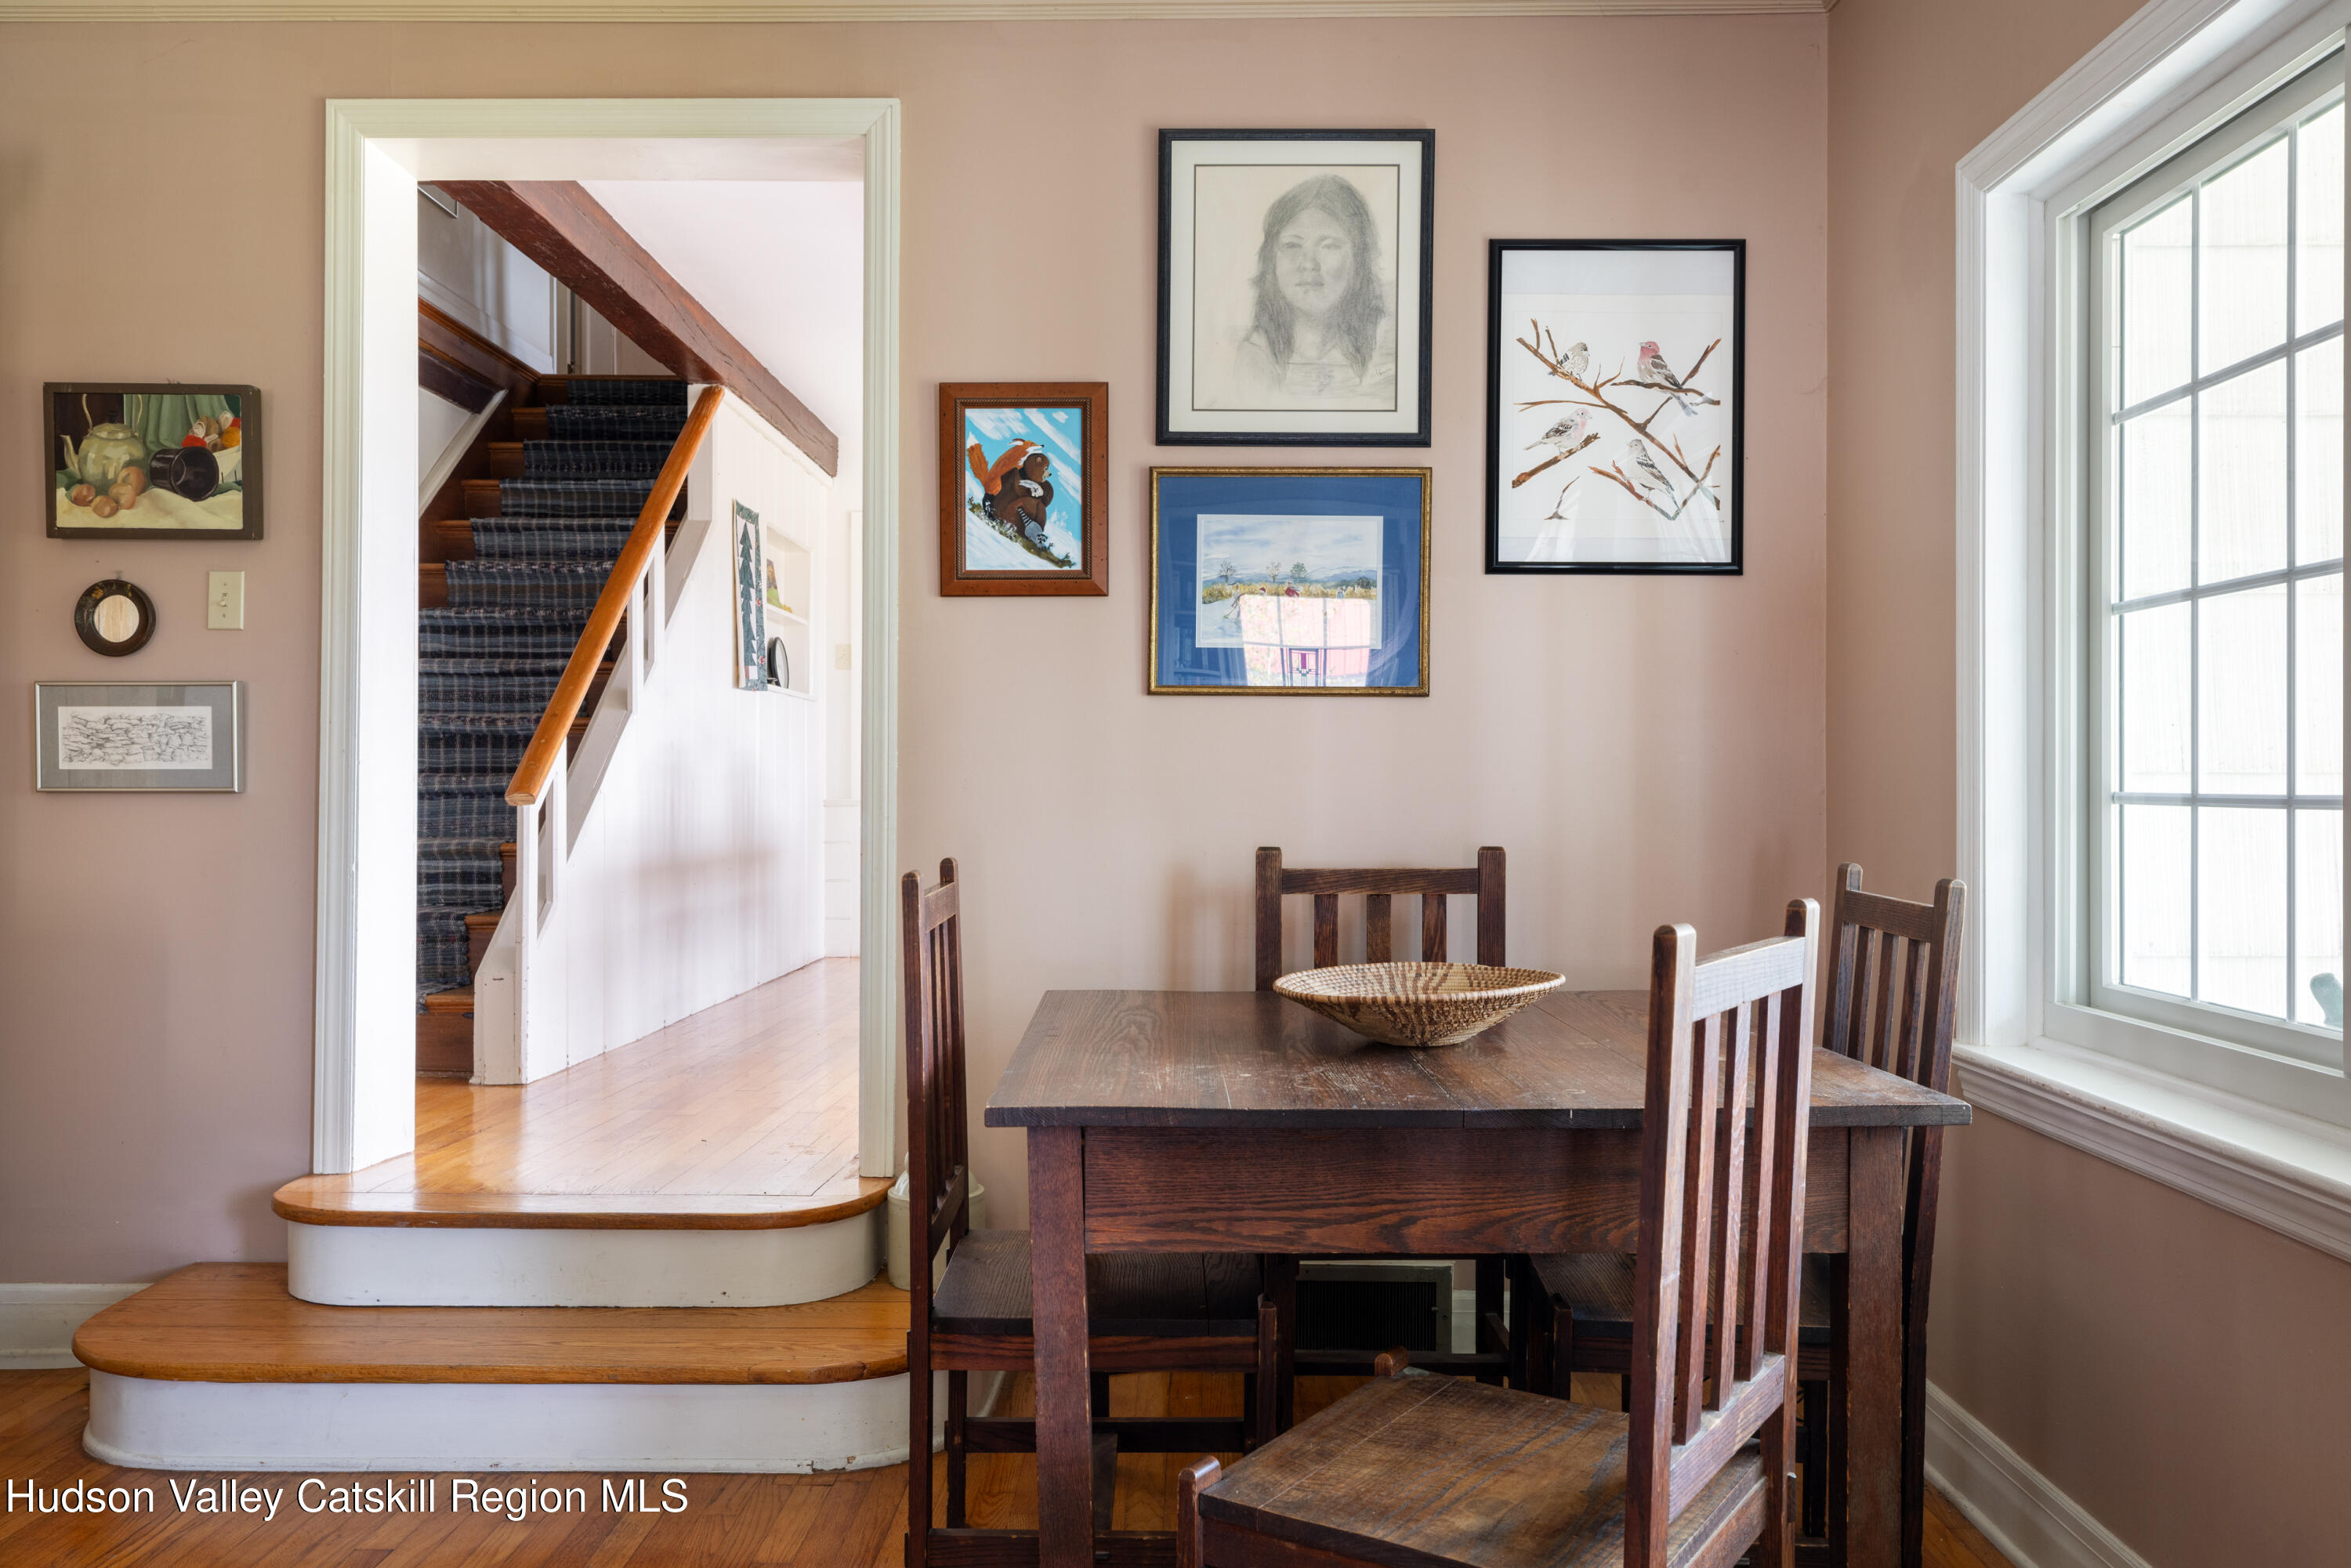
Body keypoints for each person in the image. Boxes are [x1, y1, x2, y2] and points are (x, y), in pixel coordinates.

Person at [1220, 175, 1396, 408]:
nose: (1308, 263)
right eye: (1292, 245)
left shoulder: (1391, 341)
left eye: (1329, 246)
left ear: (1360, 258)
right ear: (1271, 259)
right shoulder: (1252, 356)